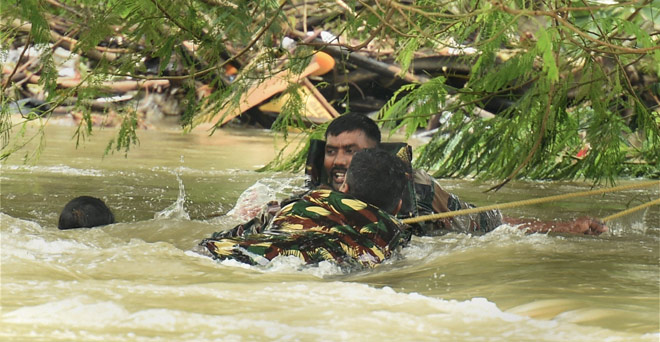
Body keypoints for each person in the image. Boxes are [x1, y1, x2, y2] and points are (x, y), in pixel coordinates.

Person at [309, 113, 607, 235]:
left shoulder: (418, 187)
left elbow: (492, 224)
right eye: (332, 151)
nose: (338, 161)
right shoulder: (315, 190)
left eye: (350, 151)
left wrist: (566, 227)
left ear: (377, 153)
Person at [198, 148, 411, 268]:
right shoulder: (391, 240)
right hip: (312, 268)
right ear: (397, 207)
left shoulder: (298, 205)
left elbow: (219, 239)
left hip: (232, 252)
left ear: (344, 187)